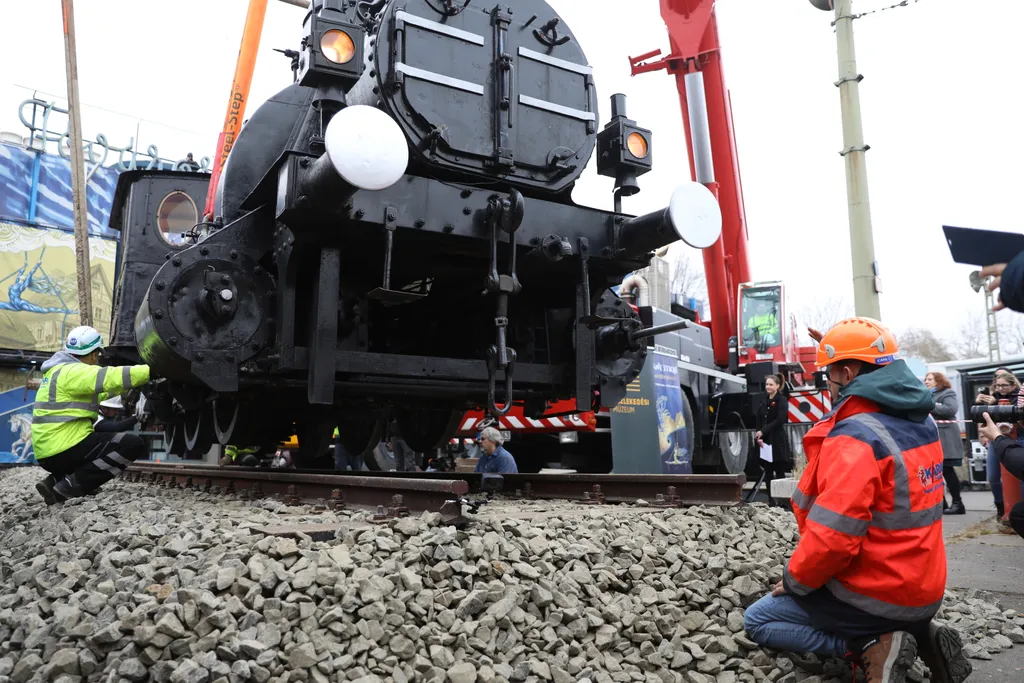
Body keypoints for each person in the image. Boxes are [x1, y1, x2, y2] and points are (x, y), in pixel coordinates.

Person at [743, 317, 970, 683]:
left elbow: (833, 538)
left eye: (829, 375)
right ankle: (919, 635)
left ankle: (871, 647)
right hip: (925, 588)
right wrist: (842, 343)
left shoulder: (857, 438)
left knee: (759, 619)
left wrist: (795, 581)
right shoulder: (920, 419)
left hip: (878, 595)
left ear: (848, 373)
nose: (828, 384)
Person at [32, 326, 152, 504]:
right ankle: (70, 488)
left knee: (93, 446)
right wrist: (151, 372)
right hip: (64, 447)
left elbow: (102, 391)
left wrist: (130, 386)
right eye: (97, 355)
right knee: (132, 444)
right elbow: (109, 377)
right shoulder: (74, 371)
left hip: (48, 450)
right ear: (93, 354)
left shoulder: (58, 372)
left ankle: (53, 482)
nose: (97, 360)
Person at [974, 370, 1023, 524]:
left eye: (1004, 385)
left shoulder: (1019, 398)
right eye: (998, 385)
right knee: (993, 476)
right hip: (997, 440)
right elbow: (981, 419)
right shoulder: (992, 397)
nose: (1000, 388)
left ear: (1013, 385)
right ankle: (1001, 508)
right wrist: (980, 404)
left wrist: (996, 405)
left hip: (1019, 438)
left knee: (1020, 474)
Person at [924, 372, 966, 515]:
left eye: (930, 379)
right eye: (926, 379)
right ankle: (941, 503)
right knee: (935, 472)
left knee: (947, 470)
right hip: (932, 437)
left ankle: (957, 503)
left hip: (946, 437)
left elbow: (950, 410)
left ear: (939, 381)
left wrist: (929, 404)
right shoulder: (926, 394)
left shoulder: (948, 393)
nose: (926, 381)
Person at [978, 412, 1024, 538]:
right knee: (993, 476)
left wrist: (998, 437)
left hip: (1011, 440)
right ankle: (1000, 508)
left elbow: (1020, 462)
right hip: (1002, 441)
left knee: (1019, 513)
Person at [754, 373, 791, 506]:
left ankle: (782, 501)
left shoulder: (782, 400)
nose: (768, 387)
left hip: (777, 440)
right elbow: (759, 419)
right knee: (768, 471)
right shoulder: (763, 401)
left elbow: (780, 419)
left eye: (771, 384)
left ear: (777, 386)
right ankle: (771, 500)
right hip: (765, 441)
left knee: (779, 470)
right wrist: (759, 436)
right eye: (767, 384)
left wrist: (763, 431)